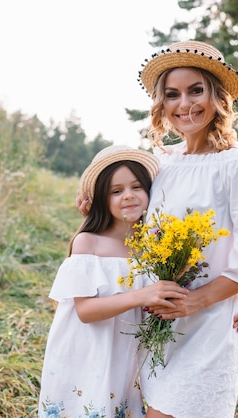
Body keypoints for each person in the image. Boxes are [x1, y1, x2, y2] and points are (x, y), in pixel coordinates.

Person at [131, 40, 238, 417]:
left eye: (196, 90)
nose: (184, 104)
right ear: (162, 104)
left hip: (211, 325)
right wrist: (90, 199)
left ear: (217, 96)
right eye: (172, 94)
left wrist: (205, 299)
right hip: (157, 317)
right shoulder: (162, 163)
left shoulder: (236, 166)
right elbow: (134, 222)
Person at [37, 145, 190, 417]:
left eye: (136, 187)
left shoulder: (156, 248)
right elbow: (85, 311)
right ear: (101, 199)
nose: (128, 196)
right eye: (116, 191)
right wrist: (143, 295)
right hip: (90, 352)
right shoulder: (88, 243)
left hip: (128, 355)